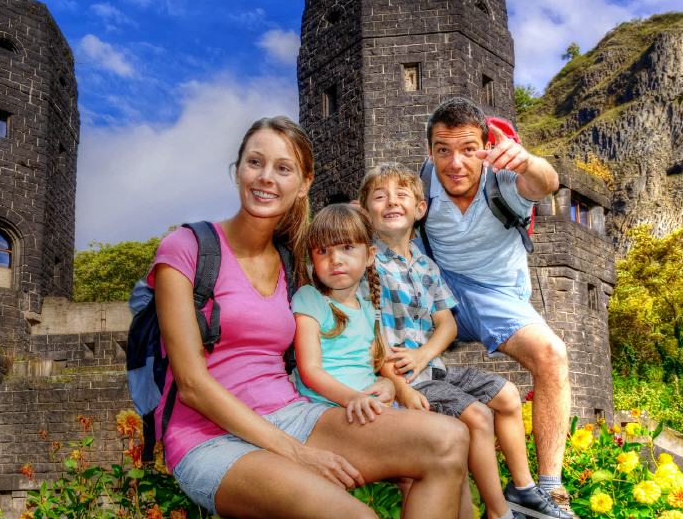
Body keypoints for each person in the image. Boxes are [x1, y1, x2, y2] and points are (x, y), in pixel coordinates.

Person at [152, 115, 468, 519]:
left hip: (294, 415)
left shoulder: (292, 264)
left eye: (283, 168)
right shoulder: (187, 247)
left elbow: (348, 330)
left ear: (303, 185)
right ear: (237, 171)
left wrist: (383, 384)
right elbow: (193, 385)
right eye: (255, 163)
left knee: (449, 439)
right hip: (208, 436)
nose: (266, 177)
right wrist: (298, 455)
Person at [360, 162, 571, 519]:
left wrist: (426, 353)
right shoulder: (366, 264)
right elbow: (368, 335)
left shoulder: (427, 266)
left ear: (420, 208)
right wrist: (399, 383)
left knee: (507, 396)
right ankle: (499, 513)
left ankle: (522, 489)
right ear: (365, 210)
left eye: (401, 195)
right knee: (476, 416)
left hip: (431, 367)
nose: (392, 202)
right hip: (399, 377)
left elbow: (448, 326)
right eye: (380, 197)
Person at [419, 97, 570, 511]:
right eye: (443, 150)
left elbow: (546, 183)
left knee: (552, 355)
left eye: (469, 149)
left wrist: (527, 162)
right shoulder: (421, 183)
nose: (455, 164)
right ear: (429, 151)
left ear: (486, 149)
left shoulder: (502, 181)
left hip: (496, 296)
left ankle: (548, 489)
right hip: (438, 292)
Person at [291, 203, 394, 421]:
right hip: (327, 408)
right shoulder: (310, 299)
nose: (335, 259)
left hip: (368, 403)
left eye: (347, 247)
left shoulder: (368, 307)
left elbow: (379, 361)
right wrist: (353, 398)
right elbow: (310, 371)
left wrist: (389, 384)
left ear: (369, 255)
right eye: (323, 251)